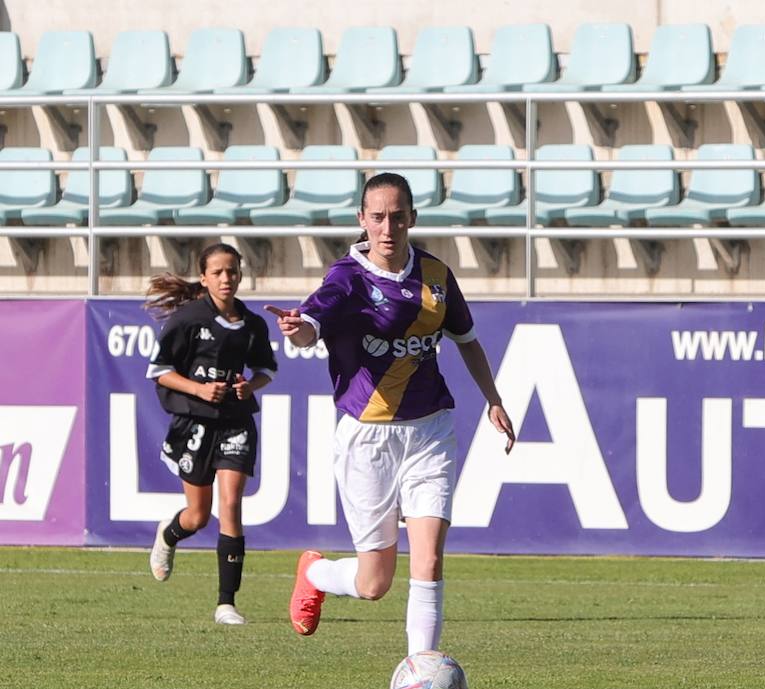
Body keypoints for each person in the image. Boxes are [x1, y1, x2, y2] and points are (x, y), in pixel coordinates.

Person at [267, 172, 515, 657]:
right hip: (368, 437)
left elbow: (467, 341)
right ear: (362, 220)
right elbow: (310, 325)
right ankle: (315, 573)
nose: (387, 227)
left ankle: (421, 670)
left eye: (397, 217)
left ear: (412, 219)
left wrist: (494, 399)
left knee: (429, 557)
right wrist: (295, 330)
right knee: (374, 582)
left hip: (430, 431)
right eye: (377, 217)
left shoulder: (437, 277)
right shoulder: (347, 278)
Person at [146, 243, 277, 625]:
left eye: (232, 271)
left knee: (231, 505)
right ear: (203, 278)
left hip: (236, 422)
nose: (226, 278)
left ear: (240, 275)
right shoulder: (187, 320)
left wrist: (250, 387)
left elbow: (266, 371)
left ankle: (226, 604)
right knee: (198, 516)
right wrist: (200, 389)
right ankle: (169, 536)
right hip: (195, 423)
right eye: (218, 272)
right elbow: (160, 370)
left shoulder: (252, 324)